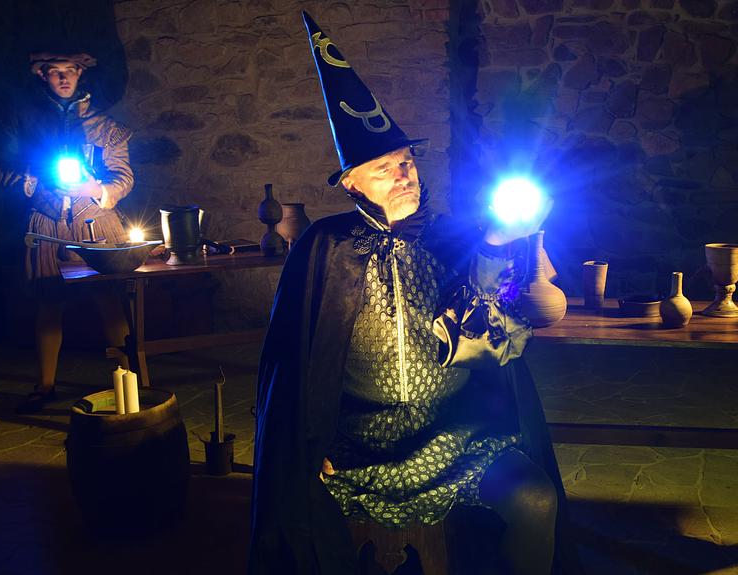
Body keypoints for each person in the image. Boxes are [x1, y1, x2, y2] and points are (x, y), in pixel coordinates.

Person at [248, 12, 580, 575]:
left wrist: (496, 247)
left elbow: (494, 340)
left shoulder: (452, 239)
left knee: (536, 499)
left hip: (452, 434)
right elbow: (294, 363)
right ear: (351, 182)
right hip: (356, 444)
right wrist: (308, 438)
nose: (403, 175)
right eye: (384, 168)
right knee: (302, 521)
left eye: (406, 162)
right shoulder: (324, 248)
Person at [0, 51, 134, 412]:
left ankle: (131, 381)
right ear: (43, 76)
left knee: (109, 299)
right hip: (46, 221)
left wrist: (95, 188)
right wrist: (32, 177)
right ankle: (45, 385)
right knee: (49, 302)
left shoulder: (104, 125)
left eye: (70, 70)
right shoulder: (26, 122)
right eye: (55, 72)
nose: (64, 78)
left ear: (80, 73)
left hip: (95, 221)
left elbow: (123, 176)